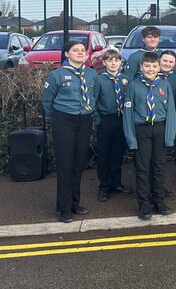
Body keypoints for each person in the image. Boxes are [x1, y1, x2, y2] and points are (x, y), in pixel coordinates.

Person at [42, 40, 99, 223]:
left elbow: (94, 95)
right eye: (75, 50)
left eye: (83, 50)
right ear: (66, 54)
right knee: (65, 165)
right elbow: (47, 102)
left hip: (85, 119)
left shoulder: (91, 73)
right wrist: (57, 119)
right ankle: (64, 208)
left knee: (78, 164)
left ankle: (75, 203)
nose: (80, 53)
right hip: (64, 120)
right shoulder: (56, 75)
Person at [123, 51, 176, 221]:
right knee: (143, 168)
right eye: (147, 66)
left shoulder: (163, 85)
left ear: (159, 67)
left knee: (159, 167)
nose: (151, 69)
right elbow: (128, 114)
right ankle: (143, 205)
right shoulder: (134, 86)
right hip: (142, 130)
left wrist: (169, 137)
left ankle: (158, 201)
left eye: (154, 66)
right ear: (141, 67)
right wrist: (131, 139)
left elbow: (171, 112)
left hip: (159, 128)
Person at [93, 49, 132, 203]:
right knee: (104, 154)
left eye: (116, 60)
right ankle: (104, 187)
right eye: (109, 60)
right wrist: (97, 119)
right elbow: (93, 101)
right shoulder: (99, 80)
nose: (113, 63)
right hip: (106, 119)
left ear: (120, 62)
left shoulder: (126, 80)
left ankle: (116, 183)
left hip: (122, 119)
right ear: (104, 63)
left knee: (118, 153)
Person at [159, 50, 176, 181]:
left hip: (175, 116)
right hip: (159, 119)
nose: (167, 64)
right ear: (159, 61)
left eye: (170, 62)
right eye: (164, 61)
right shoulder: (152, 76)